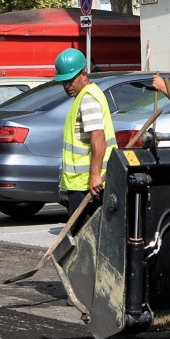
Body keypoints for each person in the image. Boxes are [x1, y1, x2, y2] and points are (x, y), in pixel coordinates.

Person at [57, 48, 111, 218]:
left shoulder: (88, 98)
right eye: (63, 82)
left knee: (85, 231)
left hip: (87, 183)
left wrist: (95, 175)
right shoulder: (83, 96)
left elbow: (98, 136)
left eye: (70, 80)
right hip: (81, 182)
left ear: (83, 74)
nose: (67, 86)